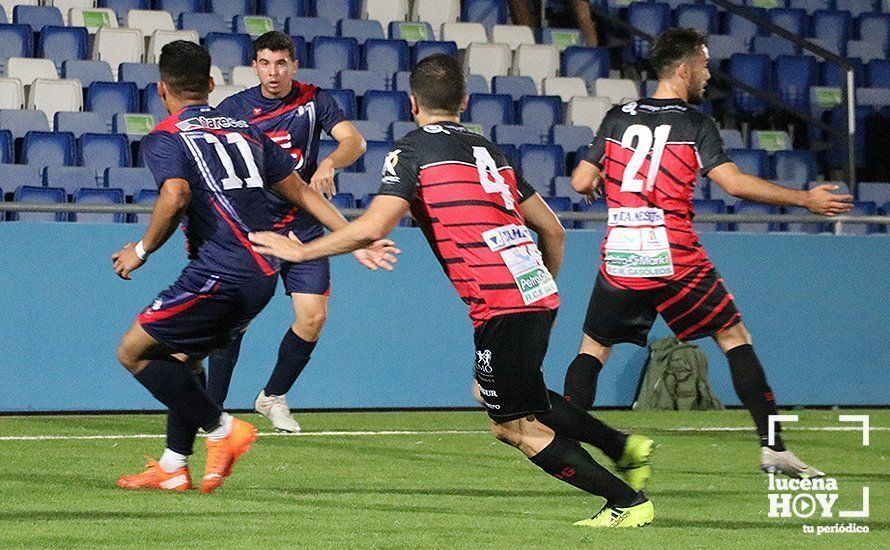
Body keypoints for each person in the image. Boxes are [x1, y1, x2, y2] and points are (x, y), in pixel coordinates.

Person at [249, 54, 655, 528]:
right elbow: (554, 229)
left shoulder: (412, 150)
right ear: (464, 102)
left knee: (512, 427)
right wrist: (538, 287)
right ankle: (619, 445)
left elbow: (374, 226)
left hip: (503, 302)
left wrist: (299, 253)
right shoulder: (489, 150)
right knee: (497, 394)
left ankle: (626, 501)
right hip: (531, 291)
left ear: (412, 103)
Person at [564, 28, 853, 478]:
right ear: (683, 70)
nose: (707, 73)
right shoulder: (696, 124)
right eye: (702, 64)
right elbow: (734, 184)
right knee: (734, 339)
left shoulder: (617, 117)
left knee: (593, 348)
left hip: (622, 249)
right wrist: (805, 200)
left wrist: (604, 179)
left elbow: (580, 181)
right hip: (673, 252)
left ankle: (563, 442)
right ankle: (773, 448)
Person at [111, 41, 394, 493]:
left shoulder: (166, 136)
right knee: (185, 357)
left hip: (220, 270)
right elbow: (302, 192)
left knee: (133, 351)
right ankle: (171, 466)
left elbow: (175, 195)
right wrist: (354, 238)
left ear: (161, 89)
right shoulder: (246, 130)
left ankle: (223, 430)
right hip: (262, 269)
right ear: (210, 84)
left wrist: (140, 250)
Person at [209, 31, 367, 432]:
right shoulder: (234, 109)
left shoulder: (314, 100)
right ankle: (210, 407)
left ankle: (273, 396)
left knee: (313, 318)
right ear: (254, 66)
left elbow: (354, 142)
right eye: (265, 63)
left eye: (281, 63)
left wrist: (331, 162)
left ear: (294, 65)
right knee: (234, 322)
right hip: (256, 228)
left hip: (307, 224)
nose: (274, 72)